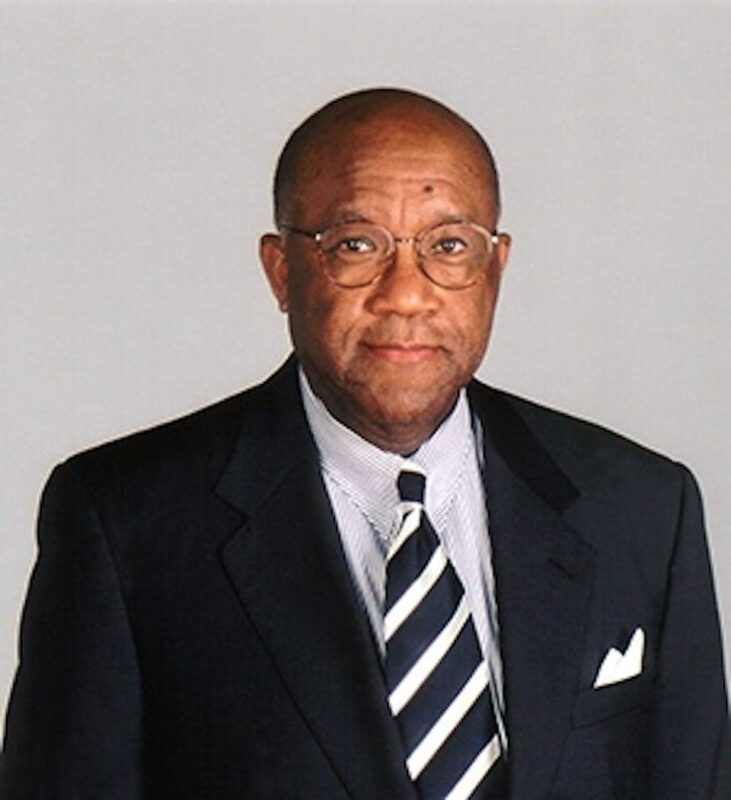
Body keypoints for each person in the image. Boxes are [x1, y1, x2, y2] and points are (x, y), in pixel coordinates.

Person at [1, 87, 729, 799]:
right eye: (355, 245)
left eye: (449, 246)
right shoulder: (124, 522)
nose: (406, 293)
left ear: (495, 267)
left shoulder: (640, 507)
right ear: (281, 271)